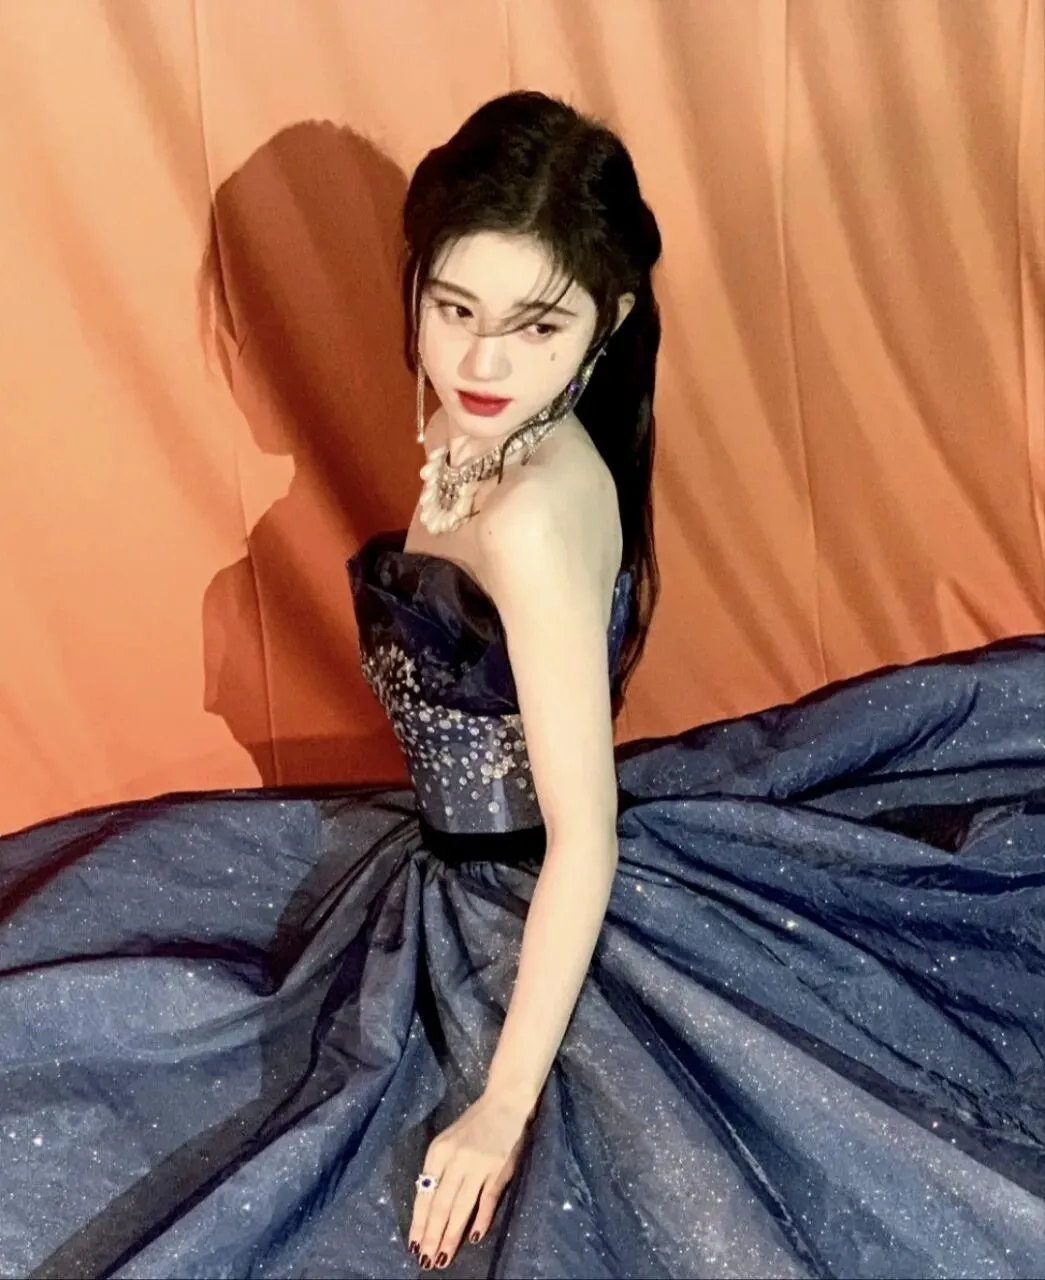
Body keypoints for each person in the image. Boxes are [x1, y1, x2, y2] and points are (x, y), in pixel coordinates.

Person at [2, 90, 1045, 1280]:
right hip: (436, 870)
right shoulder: (479, 432)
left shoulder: (537, 514)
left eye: (536, 325)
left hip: (529, 908)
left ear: (610, 319)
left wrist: (500, 1108)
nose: (482, 361)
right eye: (454, 308)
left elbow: (583, 841)